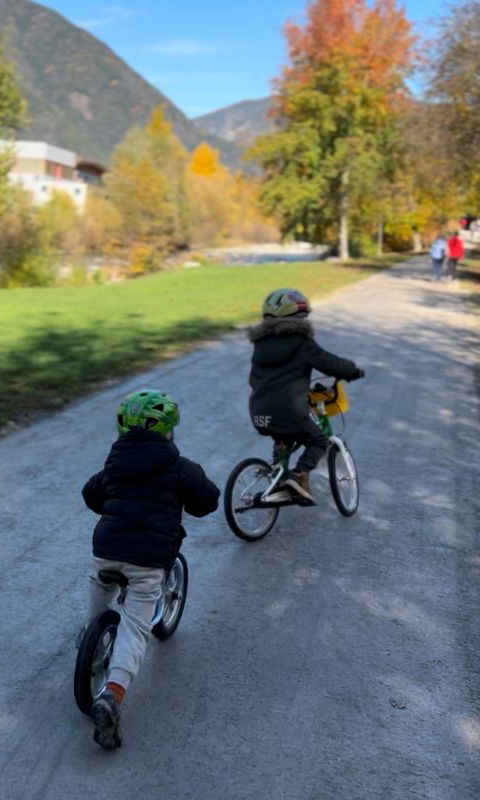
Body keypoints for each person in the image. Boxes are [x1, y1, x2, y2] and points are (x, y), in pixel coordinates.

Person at [81, 389, 219, 750]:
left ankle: (89, 638)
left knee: (100, 583)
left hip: (107, 549)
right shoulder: (179, 467)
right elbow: (208, 500)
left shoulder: (114, 463)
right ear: (169, 431)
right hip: (148, 560)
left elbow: (90, 494)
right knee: (136, 627)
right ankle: (111, 695)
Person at [248, 288, 365, 505]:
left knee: (283, 434)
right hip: (290, 410)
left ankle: (280, 476)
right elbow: (328, 361)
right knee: (318, 440)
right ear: (298, 318)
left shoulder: (260, 345)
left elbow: (254, 380)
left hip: (259, 412)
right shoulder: (301, 343)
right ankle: (299, 475)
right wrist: (352, 371)